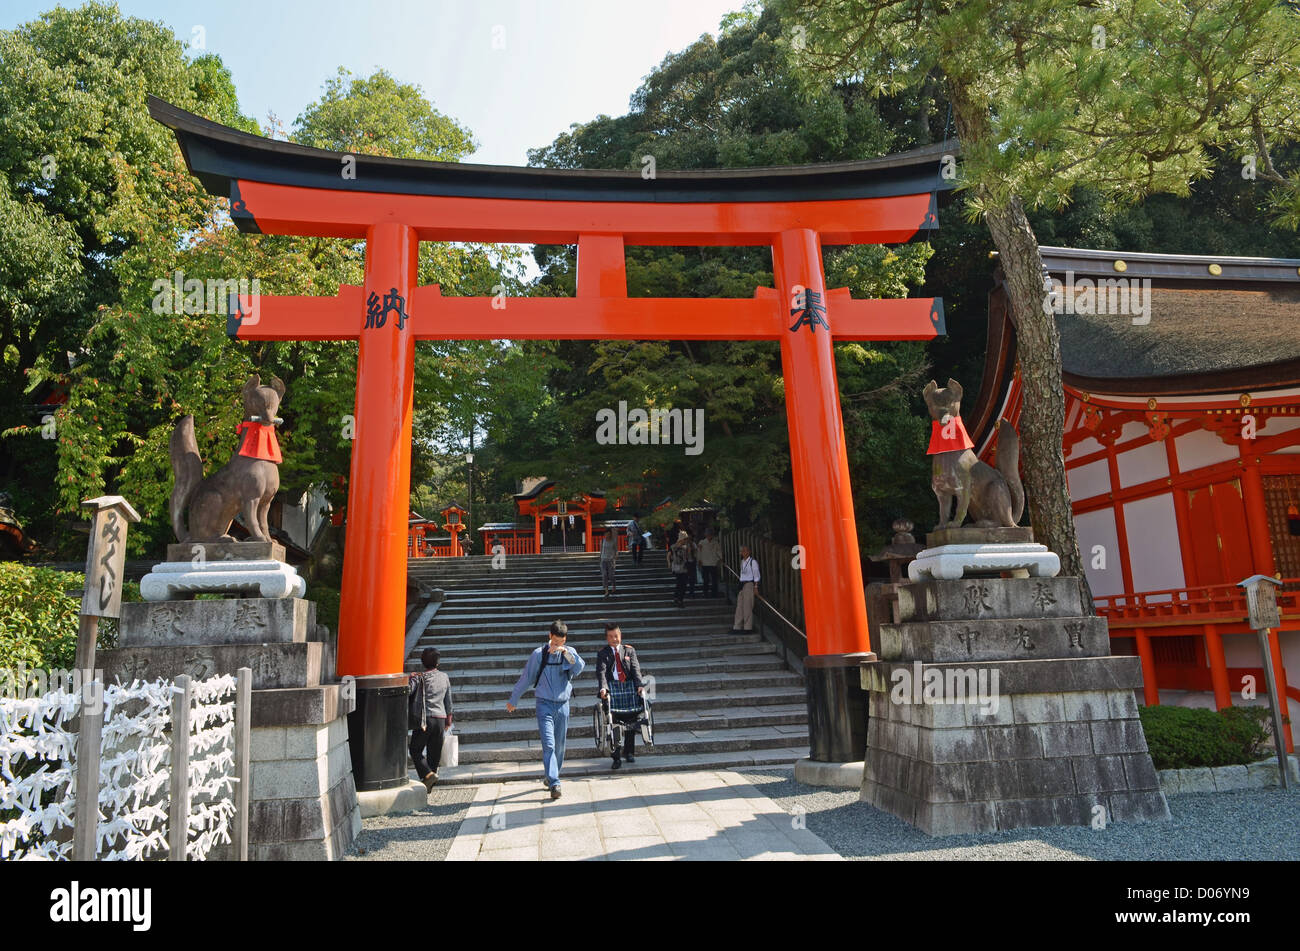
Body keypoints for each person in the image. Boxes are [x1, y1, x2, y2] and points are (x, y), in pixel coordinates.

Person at [506, 620, 586, 799]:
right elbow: (526, 678)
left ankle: (551, 776)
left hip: (563, 705)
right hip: (544, 704)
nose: (558, 645)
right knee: (549, 744)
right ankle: (555, 783)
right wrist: (514, 699)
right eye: (556, 642)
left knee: (560, 746)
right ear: (550, 636)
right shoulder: (538, 654)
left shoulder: (569, 652)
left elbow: (579, 668)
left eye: (561, 642)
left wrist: (565, 653)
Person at [595, 621, 646, 770]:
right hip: (613, 689)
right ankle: (616, 757)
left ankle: (629, 752)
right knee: (614, 723)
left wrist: (639, 686)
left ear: (620, 635)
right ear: (607, 638)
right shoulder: (603, 653)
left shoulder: (629, 651)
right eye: (611, 637)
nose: (614, 639)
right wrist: (603, 689)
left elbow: (636, 669)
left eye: (616, 636)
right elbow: (601, 673)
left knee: (631, 720)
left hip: (628, 688)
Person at [409, 647, 453, 792]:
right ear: (438, 663)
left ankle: (427, 774)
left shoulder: (420, 677)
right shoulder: (444, 677)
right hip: (440, 719)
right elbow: (448, 701)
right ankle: (430, 786)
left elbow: (409, 691)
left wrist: (410, 678)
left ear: (422, 662)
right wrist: (449, 719)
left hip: (425, 720)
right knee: (434, 755)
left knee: (415, 749)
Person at [731, 544, 761, 634]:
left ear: (749, 551)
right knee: (739, 606)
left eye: (744, 550)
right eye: (741, 551)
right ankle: (737, 626)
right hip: (742, 584)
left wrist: (756, 587)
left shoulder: (753, 562)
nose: (742, 552)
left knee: (747, 606)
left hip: (749, 584)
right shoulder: (742, 562)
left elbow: (756, 575)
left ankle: (748, 627)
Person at [696, 527, 722, 598]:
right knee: (706, 579)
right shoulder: (702, 542)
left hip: (713, 562)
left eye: (710, 535)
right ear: (706, 535)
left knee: (714, 580)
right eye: (708, 535)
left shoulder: (716, 542)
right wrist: (699, 560)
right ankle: (705, 593)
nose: (709, 536)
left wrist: (720, 559)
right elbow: (699, 552)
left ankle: (714, 593)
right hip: (705, 563)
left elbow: (719, 551)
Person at [669, 531, 691, 607]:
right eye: (685, 539)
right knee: (682, 584)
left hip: (680, 567)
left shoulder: (674, 546)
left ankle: (677, 597)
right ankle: (679, 600)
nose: (686, 541)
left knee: (680, 584)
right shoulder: (677, 547)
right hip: (679, 567)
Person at [600, 527, 618, 598]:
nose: (607, 535)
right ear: (604, 534)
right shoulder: (602, 541)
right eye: (606, 534)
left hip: (610, 560)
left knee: (611, 575)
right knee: (604, 575)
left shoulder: (613, 541)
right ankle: (606, 591)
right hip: (603, 560)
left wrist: (616, 556)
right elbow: (601, 551)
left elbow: (616, 550)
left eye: (609, 534)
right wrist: (600, 559)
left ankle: (614, 585)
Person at [682, 527, 698, 598]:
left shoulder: (693, 544)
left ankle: (692, 592)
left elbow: (696, 553)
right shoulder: (683, 544)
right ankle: (684, 592)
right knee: (685, 578)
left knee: (692, 578)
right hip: (685, 562)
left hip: (691, 562)